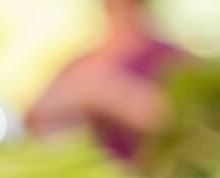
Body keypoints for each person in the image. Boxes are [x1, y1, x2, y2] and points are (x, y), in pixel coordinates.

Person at [25, 0, 184, 161]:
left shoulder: (170, 57)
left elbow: (178, 121)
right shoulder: (82, 62)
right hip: (86, 175)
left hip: (147, 174)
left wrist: (110, 94)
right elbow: (33, 116)